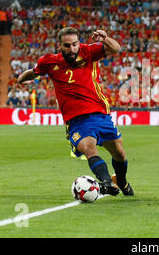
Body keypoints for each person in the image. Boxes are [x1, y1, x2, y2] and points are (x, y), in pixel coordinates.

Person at [17, 27, 133, 196]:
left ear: (79, 43)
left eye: (74, 44)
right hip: (76, 119)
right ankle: (106, 182)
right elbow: (33, 72)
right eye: (67, 45)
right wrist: (21, 80)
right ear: (60, 47)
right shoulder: (49, 62)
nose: (71, 49)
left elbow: (115, 49)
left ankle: (121, 182)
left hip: (99, 112)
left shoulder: (88, 51)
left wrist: (105, 38)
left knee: (120, 153)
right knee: (89, 148)